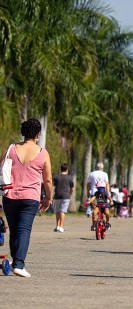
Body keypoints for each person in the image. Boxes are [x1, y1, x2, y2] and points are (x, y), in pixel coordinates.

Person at [1, 119, 54, 277]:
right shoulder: (43, 153)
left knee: (15, 230)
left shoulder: (11, 149)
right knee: (24, 230)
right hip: (30, 197)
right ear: (38, 134)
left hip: (9, 195)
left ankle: (15, 261)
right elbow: (48, 180)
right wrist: (48, 199)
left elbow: (1, 169)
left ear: (23, 132)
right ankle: (18, 264)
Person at [52, 163, 74, 232]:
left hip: (57, 195)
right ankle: (61, 226)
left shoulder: (56, 177)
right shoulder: (69, 177)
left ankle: (57, 226)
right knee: (63, 211)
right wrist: (70, 194)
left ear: (60, 169)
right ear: (67, 169)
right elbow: (72, 188)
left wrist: (51, 195)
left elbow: (52, 187)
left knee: (57, 211)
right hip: (66, 196)